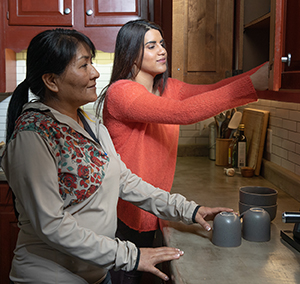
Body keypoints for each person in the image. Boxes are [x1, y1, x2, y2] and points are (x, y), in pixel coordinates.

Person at [1, 28, 233, 284]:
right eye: (84, 65)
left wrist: (189, 209)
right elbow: (52, 226)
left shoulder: (89, 124)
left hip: (96, 274)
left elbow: (126, 181)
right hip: (51, 277)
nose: (95, 73)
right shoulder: (32, 136)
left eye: (92, 62)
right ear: (51, 81)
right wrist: (130, 256)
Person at [97, 19, 269, 283]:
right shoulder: (121, 93)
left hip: (155, 208)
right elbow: (183, 113)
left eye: (162, 44)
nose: (162, 51)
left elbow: (214, 90)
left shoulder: (169, 88)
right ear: (130, 54)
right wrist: (252, 83)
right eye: (151, 46)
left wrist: (267, 73)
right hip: (124, 214)